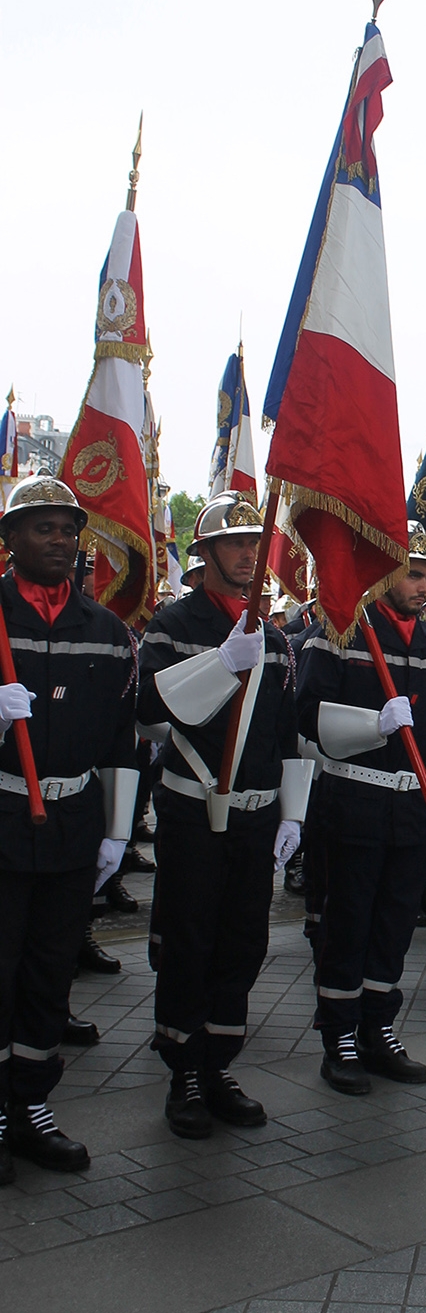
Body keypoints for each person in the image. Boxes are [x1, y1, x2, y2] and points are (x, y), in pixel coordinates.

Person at [138, 493, 312, 1138]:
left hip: (254, 816)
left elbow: (284, 733)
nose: (248, 553)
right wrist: (219, 664)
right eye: (234, 543)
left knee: (244, 942)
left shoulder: (270, 634)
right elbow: (152, 712)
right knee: (190, 940)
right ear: (205, 553)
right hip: (194, 809)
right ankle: (183, 1067)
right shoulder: (172, 625)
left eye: (253, 542)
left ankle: (218, 1063)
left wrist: (291, 813)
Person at [0, 476, 138, 1177]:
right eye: (42, 527)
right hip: (2, 812)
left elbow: (120, 740)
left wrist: (116, 831)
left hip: (72, 820)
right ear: (10, 539)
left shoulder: (107, 633)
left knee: (51, 970)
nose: (59, 541)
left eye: (67, 530)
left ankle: (30, 1103)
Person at [295, 524, 426, 1094]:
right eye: (414, 573)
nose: (423, 585)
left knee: (392, 925)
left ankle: (377, 1026)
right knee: (348, 922)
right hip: (354, 799)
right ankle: (339, 1033)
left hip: (413, 809)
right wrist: (372, 725)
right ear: (385, 570)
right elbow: (306, 716)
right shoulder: (342, 630)